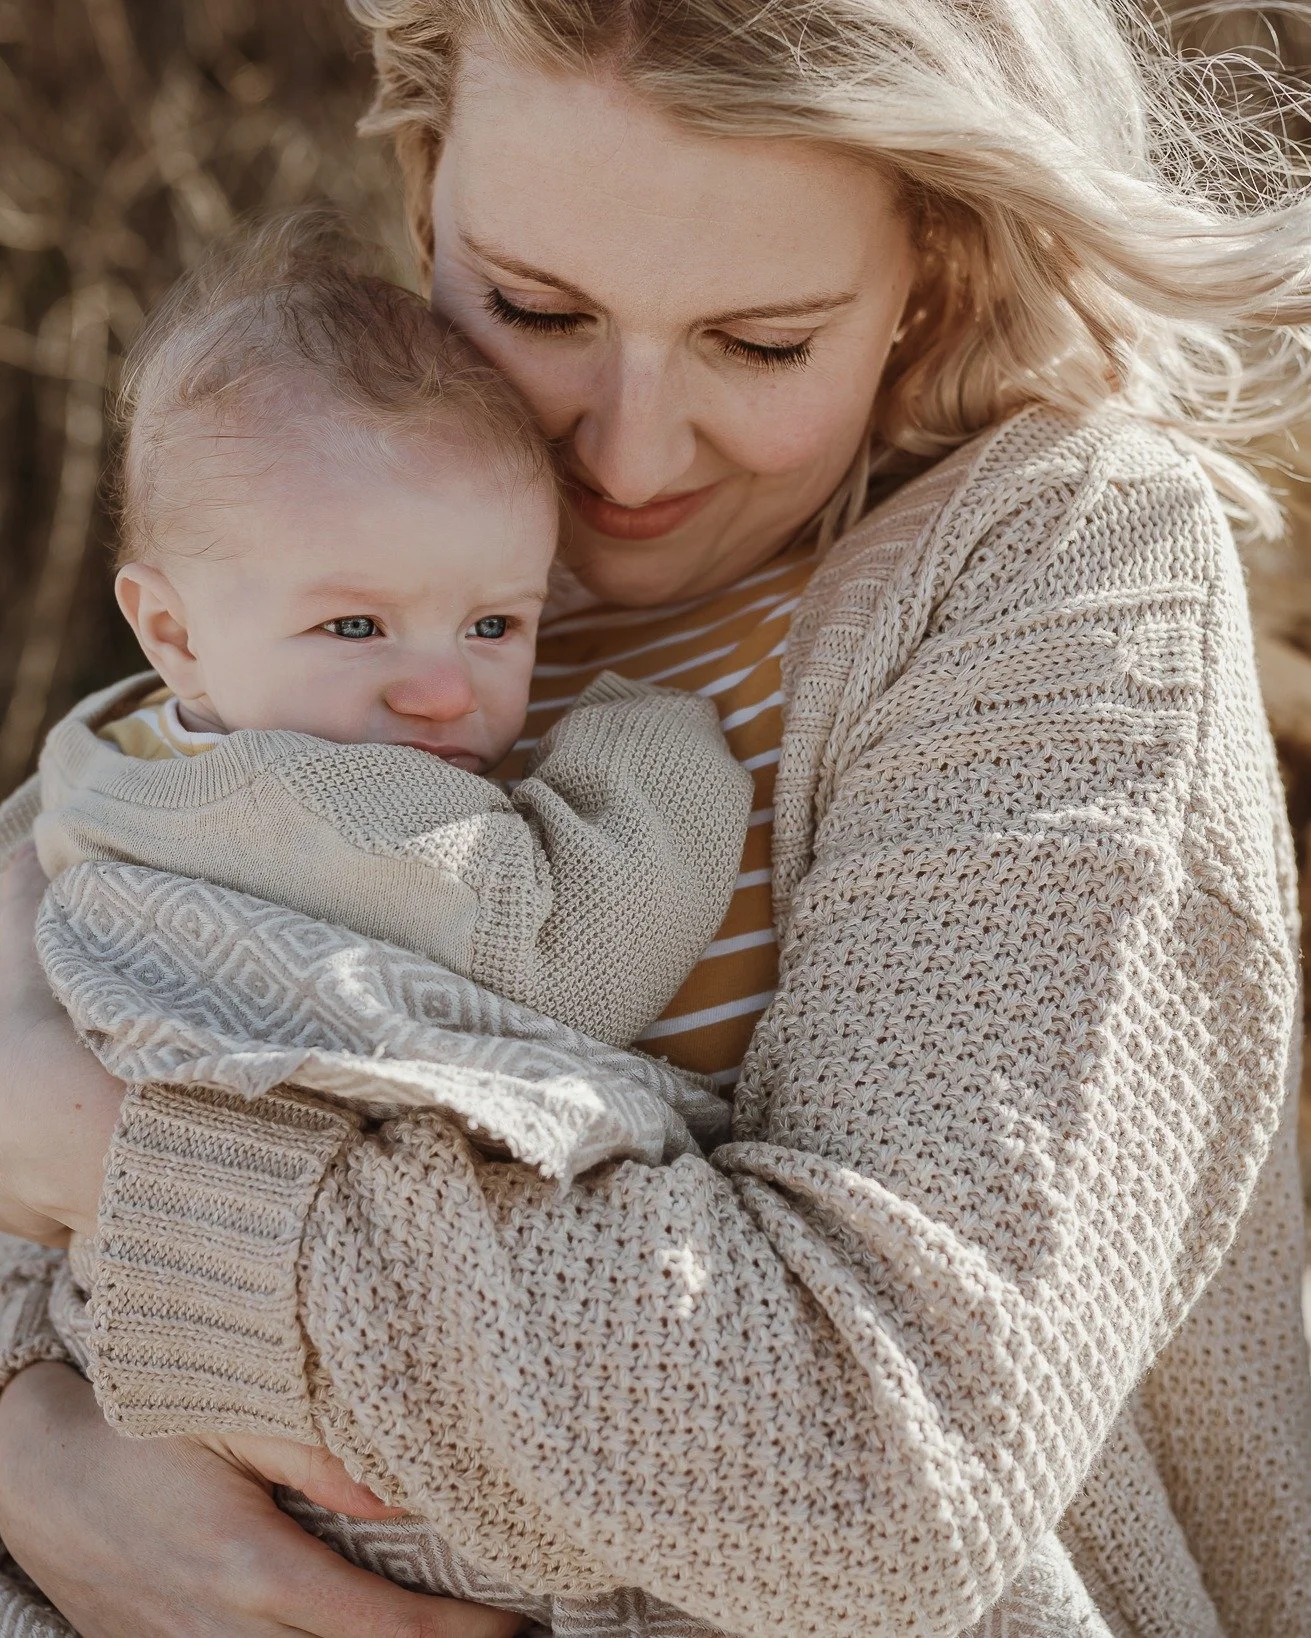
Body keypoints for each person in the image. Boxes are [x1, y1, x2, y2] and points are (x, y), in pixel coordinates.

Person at [2, 2, 1311, 1634]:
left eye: (761, 344)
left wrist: (131, 1178)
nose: (620, 458)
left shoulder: (1052, 570)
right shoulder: (315, 539)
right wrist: (31, 1448)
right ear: (425, 185)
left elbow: (876, 1470)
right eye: (536, 309)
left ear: (936, 270)